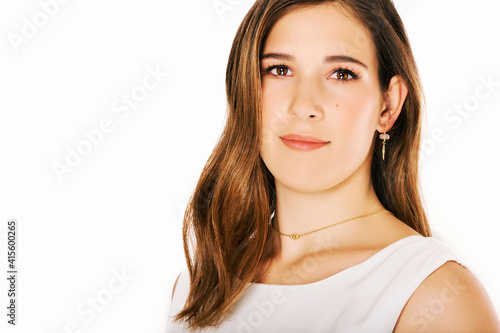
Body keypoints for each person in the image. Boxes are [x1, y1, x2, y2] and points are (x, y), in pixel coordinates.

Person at [166, 0, 500, 332]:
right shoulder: (199, 286)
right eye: (279, 70)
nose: (304, 106)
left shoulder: (437, 297)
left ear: (389, 105)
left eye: (341, 74)